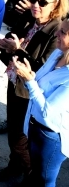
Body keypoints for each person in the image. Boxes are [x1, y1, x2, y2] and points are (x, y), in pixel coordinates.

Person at [0, 0, 68, 183]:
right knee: (15, 136)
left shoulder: (56, 31)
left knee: (20, 140)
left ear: (55, 6)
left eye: (43, 2)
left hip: (30, 93)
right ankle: (14, 167)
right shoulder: (30, 18)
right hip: (15, 83)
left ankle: (30, 175)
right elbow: (11, 33)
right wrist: (9, 45)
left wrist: (16, 50)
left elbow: (41, 68)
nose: (36, 5)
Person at [0, 0, 60, 134]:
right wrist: (9, 43)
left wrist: (17, 49)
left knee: (22, 136)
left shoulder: (58, 24)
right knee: (15, 126)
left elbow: (45, 66)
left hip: (34, 86)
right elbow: (10, 21)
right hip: (16, 77)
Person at [12, 16, 69, 186]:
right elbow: (40, 82)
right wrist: (28, 74)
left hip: (50, 138)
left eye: (63, 32)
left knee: (44, 180)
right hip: (35, 127)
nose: (57, 33)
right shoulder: (59, 53)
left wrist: (29, 81)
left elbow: (48, 115)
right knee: (35, 174)